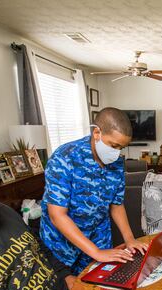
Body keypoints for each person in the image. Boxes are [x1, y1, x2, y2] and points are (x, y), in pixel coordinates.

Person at [41, 107, 148, 275]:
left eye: (121, 147)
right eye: (113, 145)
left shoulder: (117, 163)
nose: (117, 152)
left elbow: (116, 205)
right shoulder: (64, 157)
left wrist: (130, 239)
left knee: (100, 286)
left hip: (98, 237)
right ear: (96, 133)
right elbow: (57, 215)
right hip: (62, 245)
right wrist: (96, 252)